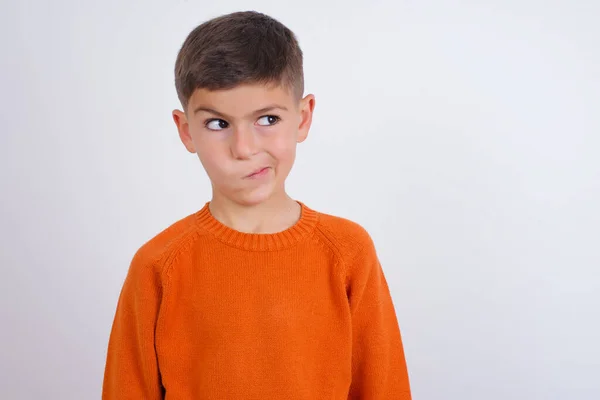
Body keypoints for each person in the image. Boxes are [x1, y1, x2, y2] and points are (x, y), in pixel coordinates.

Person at [102, 10, 411, 399]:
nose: (244, 149)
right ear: (186, 131)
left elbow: (384, 389)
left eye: (267, 119)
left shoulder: (349, 252)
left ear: (302, 118)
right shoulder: (157, 265)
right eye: (218, 124)